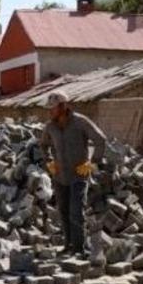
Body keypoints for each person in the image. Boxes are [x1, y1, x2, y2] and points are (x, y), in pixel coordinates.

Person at [40, 90, 108, 257]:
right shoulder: (50, 126)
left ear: (63, 106)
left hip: (79, 175)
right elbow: (43, 145)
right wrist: (49, 161)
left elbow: (101, 140)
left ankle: (79, 248)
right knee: (63, 211)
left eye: (53, 108)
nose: (50, 112)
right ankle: (68, 245)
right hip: (60, 176)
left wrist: (92, 164)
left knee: (76, 211)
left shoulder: (80, 122)